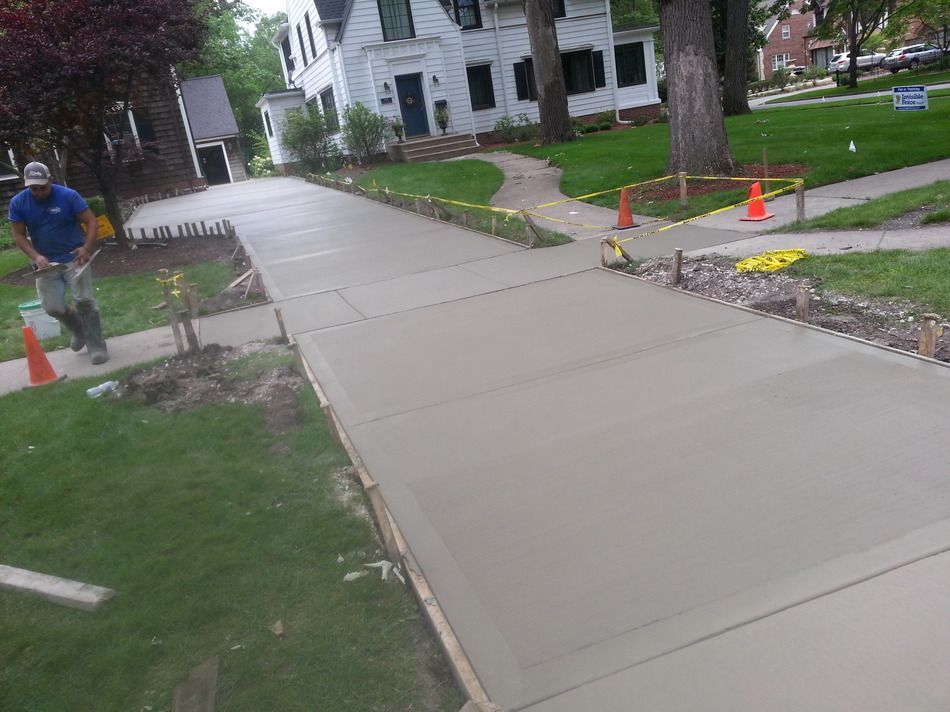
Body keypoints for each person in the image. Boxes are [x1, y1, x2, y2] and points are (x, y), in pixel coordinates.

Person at [8, 161, 109, 364]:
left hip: (75, 258)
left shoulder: (68, 196)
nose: (38, 192)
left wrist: (86, 248)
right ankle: (78, 328)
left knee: (84, 301)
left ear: (50, 180)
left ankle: (96, 345)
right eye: (33, 188)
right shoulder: (18, 203)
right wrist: (36, 256)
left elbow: (91, 221)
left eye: (42, 187)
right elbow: (18, 235)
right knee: (52, 307)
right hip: (46, 264)